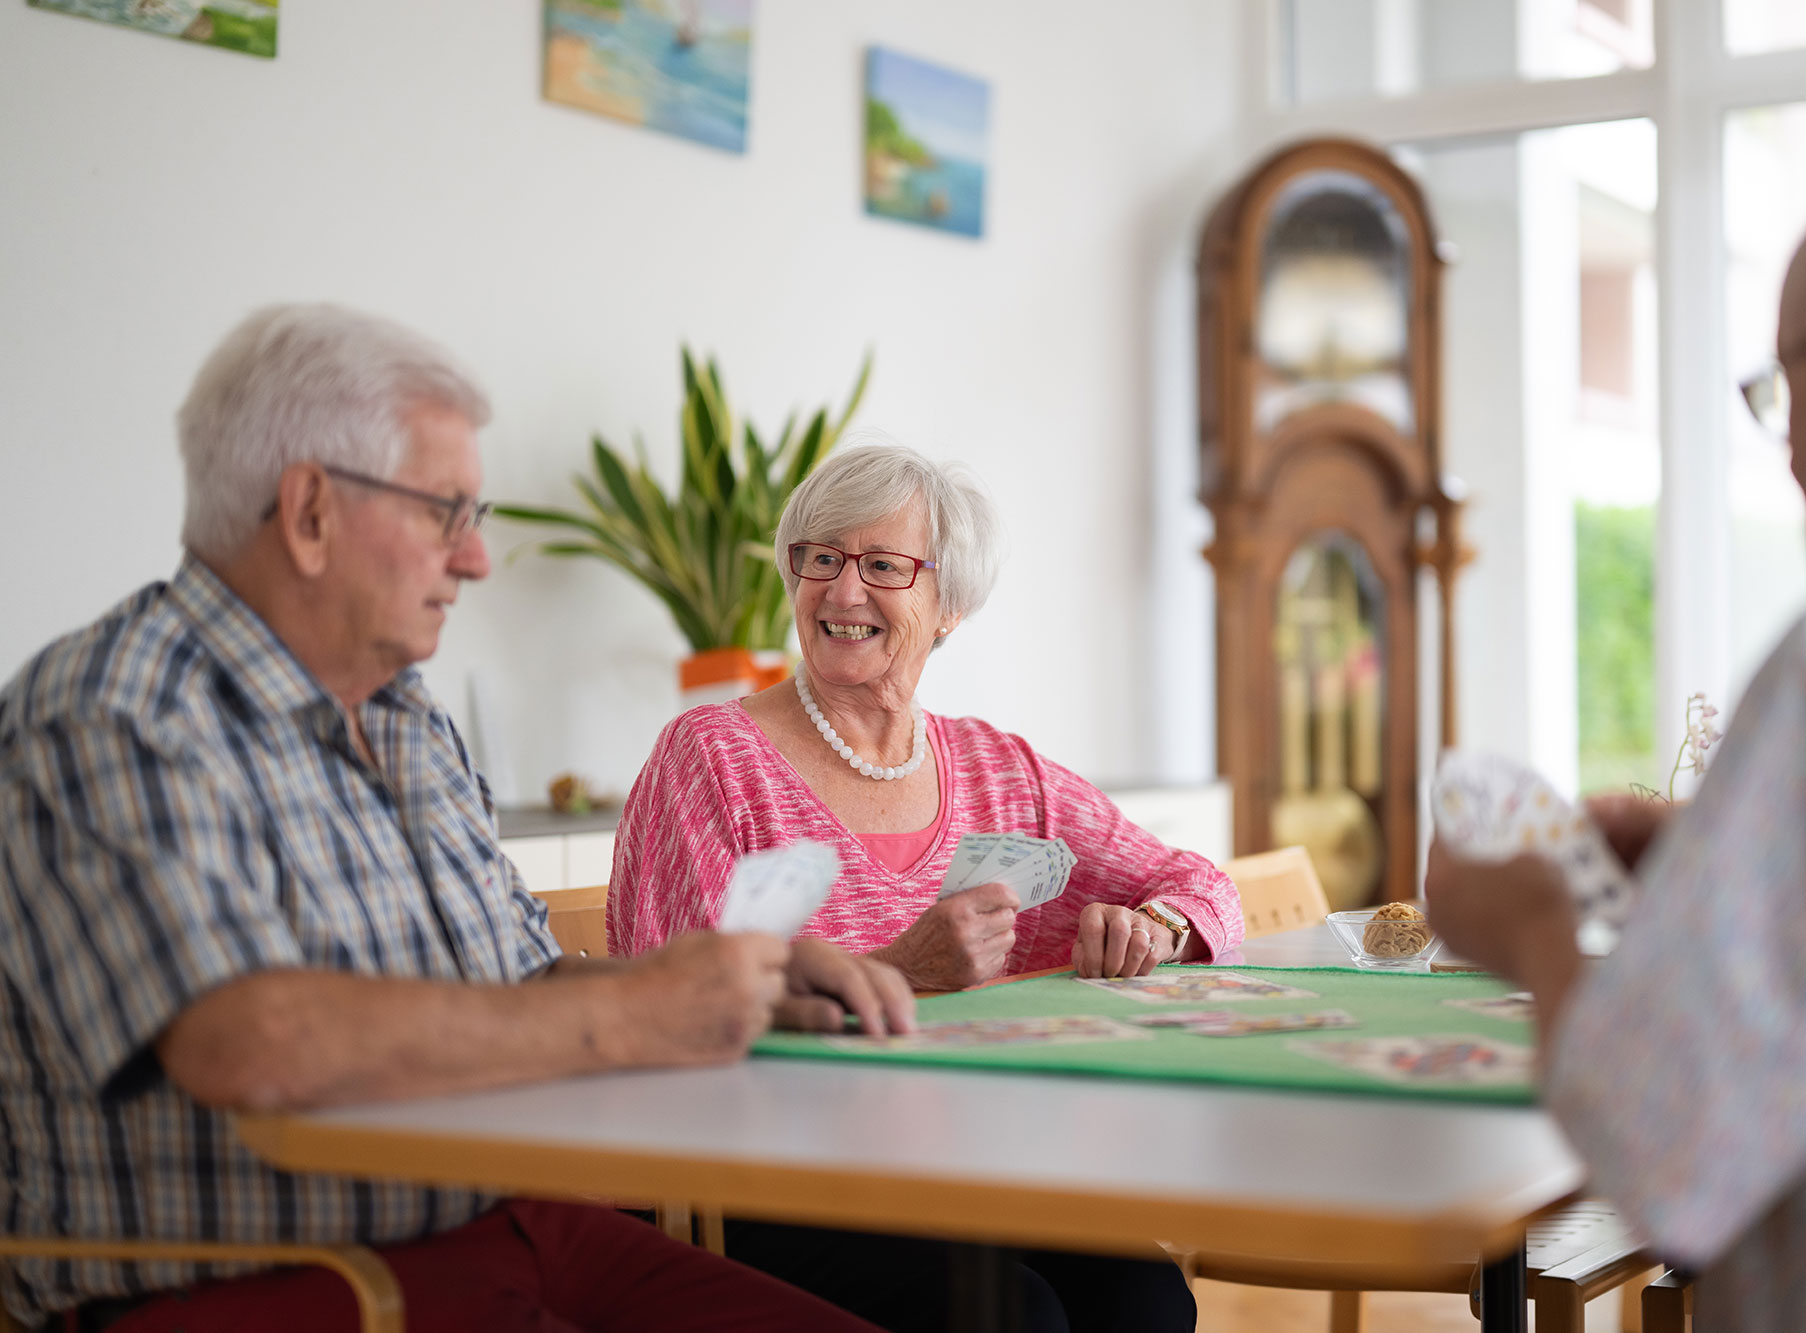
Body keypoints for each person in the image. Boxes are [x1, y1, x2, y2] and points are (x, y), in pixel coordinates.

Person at [0, 303, 913, 1332]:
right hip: (265, 1286)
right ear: (308, 512)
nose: (475, 560)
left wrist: (729, 980)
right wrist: (637, 1013)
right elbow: (244, 1043)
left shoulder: (403, 717)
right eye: (448, 512)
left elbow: (526, 982)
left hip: (505, 1225)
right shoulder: (110, 715)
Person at [1425, 142, 1806, 1332]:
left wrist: (1523, 918)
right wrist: (1732, 850)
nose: (1787, 452)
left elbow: (1662, 1145)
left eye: (1777, 399)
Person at [608, 443, 1233, 1330]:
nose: (842, 590)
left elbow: (1199, 881)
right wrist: (903, 968)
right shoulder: (712, 757)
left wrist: (1160, 926)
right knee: (1016, 1317)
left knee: (1145, 1297)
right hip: (772, 1182)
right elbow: (672, 1028)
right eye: (820, 558)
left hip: (972, 1161)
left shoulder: (999, 771)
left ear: (950, 606)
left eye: (883, 566)